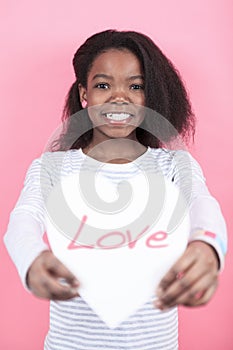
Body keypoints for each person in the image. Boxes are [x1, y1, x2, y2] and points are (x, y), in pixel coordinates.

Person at [4, 29, 227, 349]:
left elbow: (205, 209)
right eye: (103, 85)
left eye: (135, 86)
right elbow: (23, 220)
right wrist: (32, 259)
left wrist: (208, 248)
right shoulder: (51, 168)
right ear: (85, 94)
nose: (118, 97)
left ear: (148, 96)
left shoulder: (176, 166)